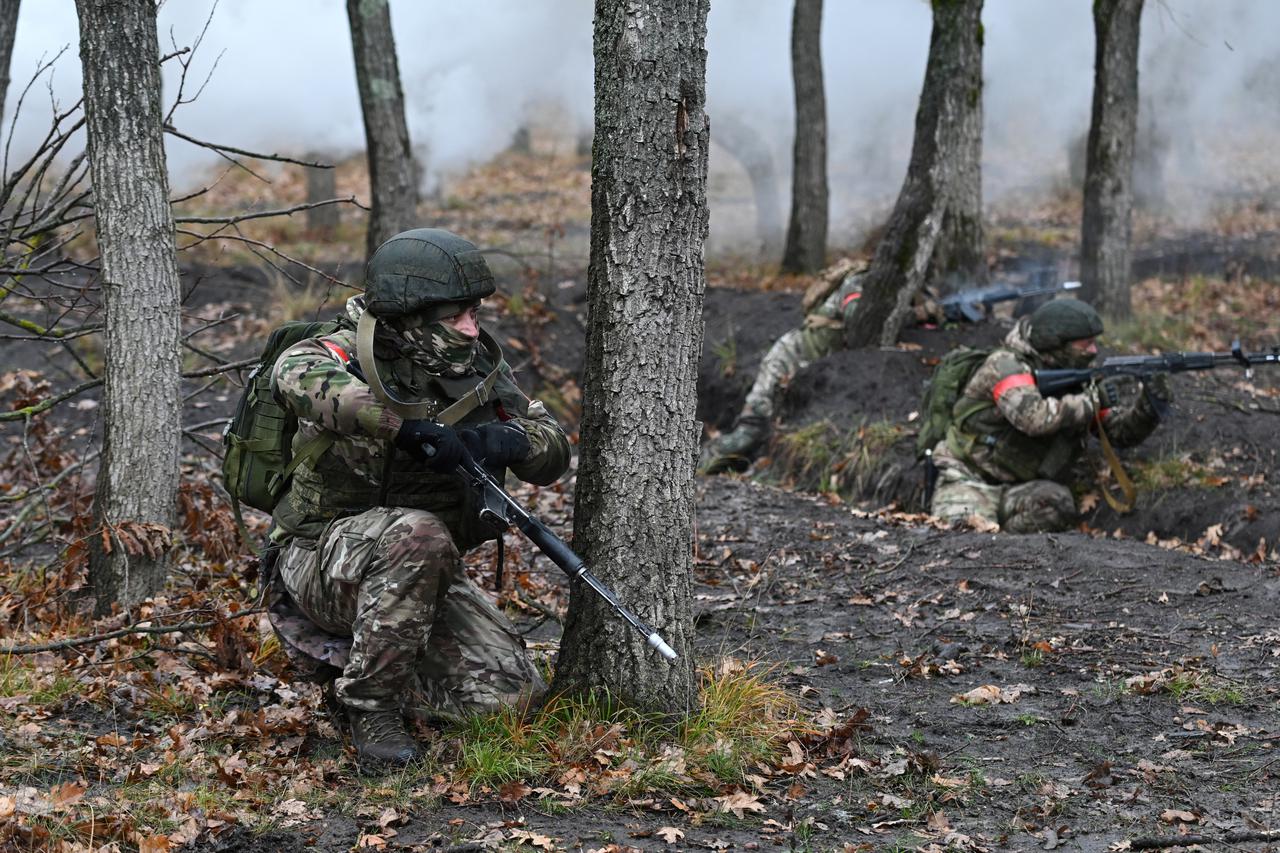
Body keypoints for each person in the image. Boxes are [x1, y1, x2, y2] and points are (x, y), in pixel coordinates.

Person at [262, 228, 571, 767]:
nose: (472, 328)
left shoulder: (477, 370)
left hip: (419, 576)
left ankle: (373, 665)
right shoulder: (344, 351)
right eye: (456, 317)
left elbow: (553, 450)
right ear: (411, 317)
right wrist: (402, 429)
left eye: (474, 313)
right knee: (420, 533)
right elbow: (295, 375)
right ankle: (370, 707)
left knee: (511, 699)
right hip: (318, 561)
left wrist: (508, 440)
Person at [929, 299, 1170, 532]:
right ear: (1057, 344)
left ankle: (1005, 541)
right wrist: (1092, 401)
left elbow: (1118, 433)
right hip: (969, 480)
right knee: (962, 539)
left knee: (1058, 505)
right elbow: (1034, 418)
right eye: (1085, 344)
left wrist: (1149, 405)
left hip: (1021, 490)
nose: (1094, 350)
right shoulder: (1005, 365)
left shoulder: (1077, 376)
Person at [698, 260, 870, 474]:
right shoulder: (859, 280)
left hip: (815, 364)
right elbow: (857, 316)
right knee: (751, 428)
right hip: (790, 356)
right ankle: (701, 464)